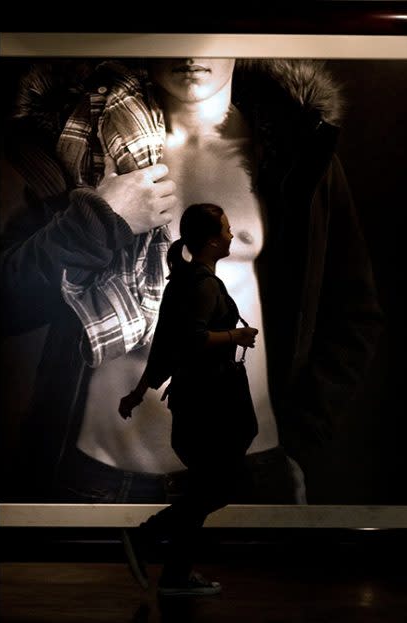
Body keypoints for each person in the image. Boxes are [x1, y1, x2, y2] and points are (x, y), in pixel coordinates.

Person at [0, 57, 383, 505]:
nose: (190, 50)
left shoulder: (294, 152)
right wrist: (98, 222)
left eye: (211, 26)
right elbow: (6, 301)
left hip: (246, 472)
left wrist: (300, 439)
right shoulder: (80, 145)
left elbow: (353, 315)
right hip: (99, 475)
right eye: (173, 23)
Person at [118, 202, 258, 595]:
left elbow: (164, 345)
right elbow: (190, 340)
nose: (232, 235)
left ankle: (177, 575)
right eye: (226, 230)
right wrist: (236, 336)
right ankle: (146, 536)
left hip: (196, 404)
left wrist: (137, 392)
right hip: (210, 405)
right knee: (218, 488)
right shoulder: (202, 284)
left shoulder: (182, 280)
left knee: (203, 490)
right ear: (213, 241)